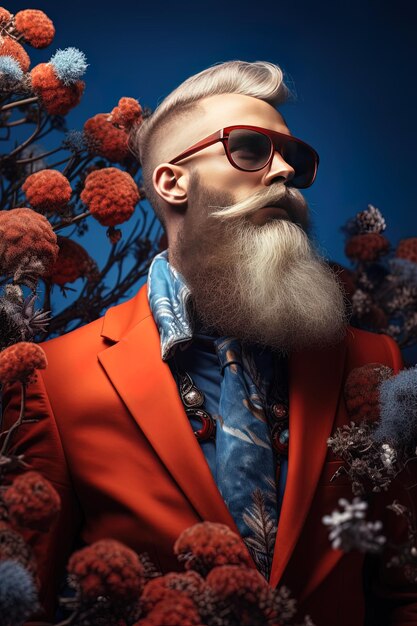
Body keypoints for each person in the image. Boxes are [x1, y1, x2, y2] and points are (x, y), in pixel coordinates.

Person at [2, 60, 416, 625]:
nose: (283, 173)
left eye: (296, 159)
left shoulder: (372, 361)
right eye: (250, 149)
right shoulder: (58, 380)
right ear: (172, 181)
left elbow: (405, 588)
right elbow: (25, 603)